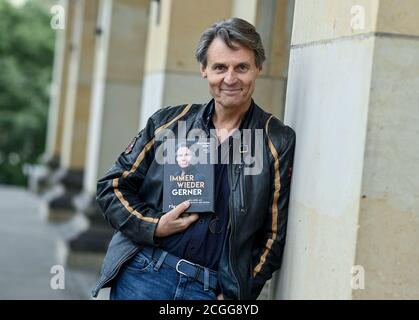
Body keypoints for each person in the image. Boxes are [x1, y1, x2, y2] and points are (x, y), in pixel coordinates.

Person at [92, 17, 296, 300]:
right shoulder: (168, 123)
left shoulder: (276, 140)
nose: (230, 79)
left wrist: (239, 294)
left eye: (242, 67)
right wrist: (154, 225)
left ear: (258, 68)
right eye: (220, 67)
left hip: (210, 291)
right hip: (143, 276)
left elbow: (273, 236)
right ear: (204, 70)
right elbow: (112, 186)